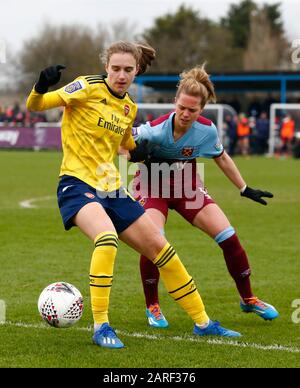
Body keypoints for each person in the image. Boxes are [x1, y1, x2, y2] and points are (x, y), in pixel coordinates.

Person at [26, 42, 241, 349]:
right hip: (76, 184)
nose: (121, 75)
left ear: (137, 70)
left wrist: (143, 152)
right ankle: (101, 326)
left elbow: (127, 141)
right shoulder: (86, 87)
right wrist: (41, 86)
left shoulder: (129, 107)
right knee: (106, 238)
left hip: (112, 187)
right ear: (107, 66)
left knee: (162, 249)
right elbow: (36, 105)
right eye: (115, 68)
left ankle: (203, 323)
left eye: (128, 70)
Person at [128, 64, 279, 329]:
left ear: (202, 110)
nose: (185, 114)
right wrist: (130, 152)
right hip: (151, 187)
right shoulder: (153, 129)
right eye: (181, 107)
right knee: (154, 241)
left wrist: (244, 188)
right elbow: (120, 143)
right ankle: (152, 305)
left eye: (192, 110)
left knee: (228, 237)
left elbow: (221, 157)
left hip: (187, 188)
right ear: (175, 102)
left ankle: (248, 298)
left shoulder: (207, 131)